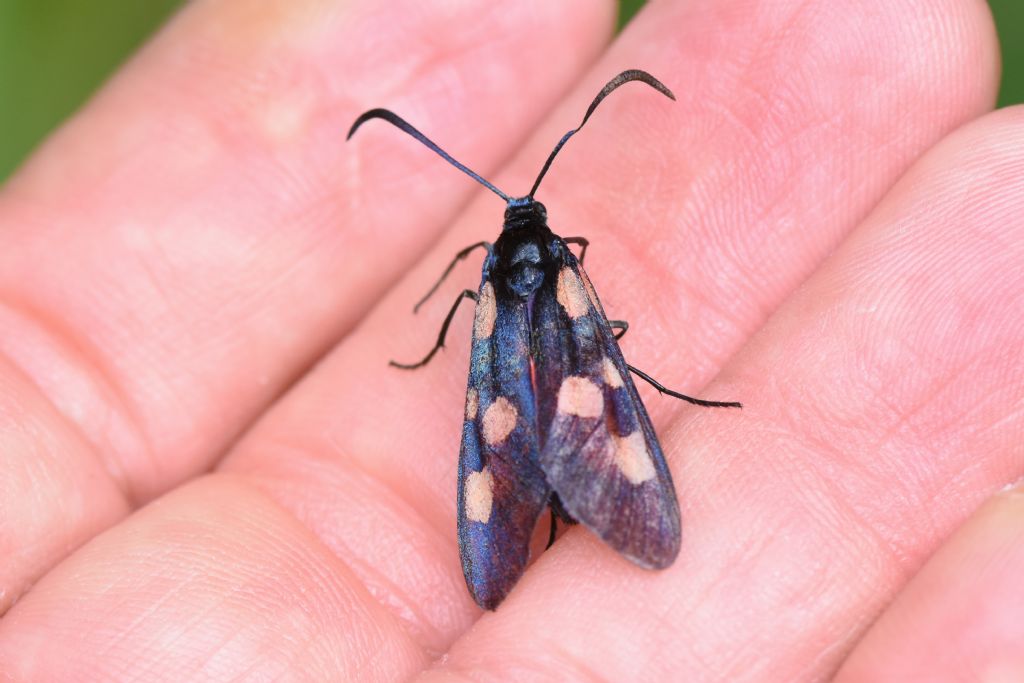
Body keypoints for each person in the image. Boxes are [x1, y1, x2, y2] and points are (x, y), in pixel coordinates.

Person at [0, 0, 1019, 680]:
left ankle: (543, 507)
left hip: (504, 405)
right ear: (544, 238)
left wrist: (457, 331)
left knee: (511, 418)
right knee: (600, 368)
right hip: (576, 385)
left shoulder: (487, 275)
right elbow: (596, 352)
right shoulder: (560, 268)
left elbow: (482, 334)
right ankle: (583, 496)